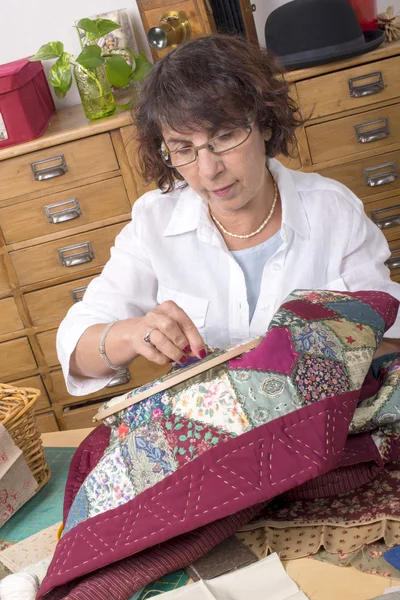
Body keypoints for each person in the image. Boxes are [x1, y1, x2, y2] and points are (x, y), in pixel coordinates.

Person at [57, 34, 400, 396]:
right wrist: (133, 333)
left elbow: (391, 340)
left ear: (265, 124)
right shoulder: (154, 221)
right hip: (214, 436)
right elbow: (77, 352)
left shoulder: (334, 211)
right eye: (183, 148)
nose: (208, 170)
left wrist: (321, 352)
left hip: (318, 429)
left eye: (224, 137)